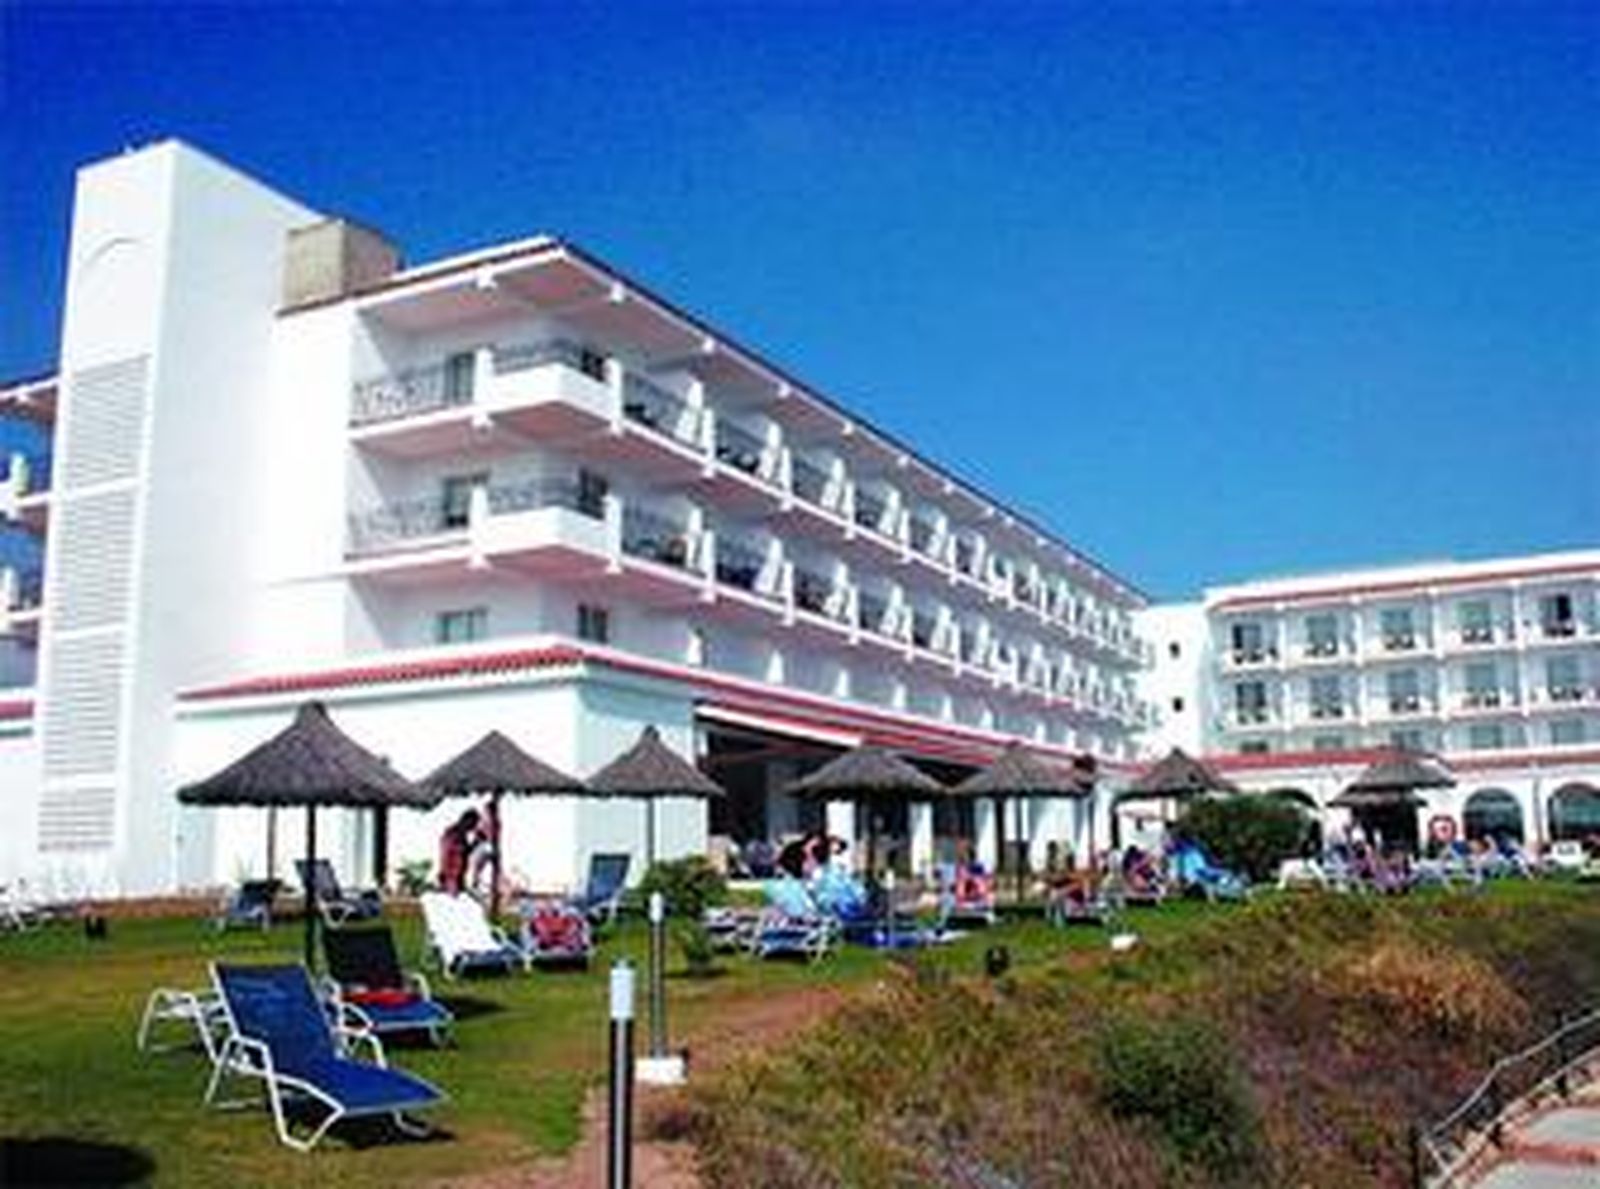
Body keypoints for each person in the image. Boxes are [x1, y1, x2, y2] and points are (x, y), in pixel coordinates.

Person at [437, 809, 480, 895]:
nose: (473, 827)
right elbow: (451, 851)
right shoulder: (452, 833)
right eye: (473, 824)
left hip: (458, 874)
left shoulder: (462, 835)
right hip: (451, 875)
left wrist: (475, 844)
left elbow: (464, 852)